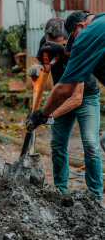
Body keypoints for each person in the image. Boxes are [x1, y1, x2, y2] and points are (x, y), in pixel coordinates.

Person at [27, 17, 103, 200]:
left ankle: (94, 195)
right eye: (50, 43)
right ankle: (61, 192)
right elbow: (39, 60)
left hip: (85, 97)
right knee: (57, 145)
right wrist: (35, 68)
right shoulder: (47, 42)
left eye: (60, 44)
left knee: (91, 145)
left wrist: (47, 115)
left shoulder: (79, 43)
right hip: (59, 95)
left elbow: (76, 98)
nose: (53, 47)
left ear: (68, 39)